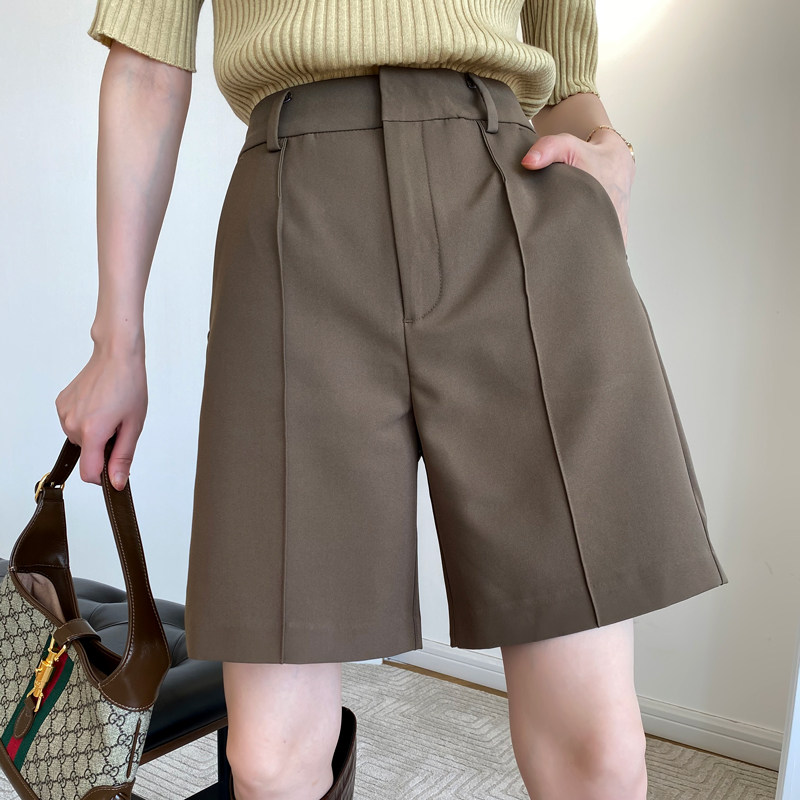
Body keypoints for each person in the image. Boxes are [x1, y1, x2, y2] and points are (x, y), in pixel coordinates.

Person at [55, 1, 729, 799]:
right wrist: (116, 342)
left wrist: (611, 146)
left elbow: (565, 78)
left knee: (597, 751)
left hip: (515, 199)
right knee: (270, 761)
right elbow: (146, 63)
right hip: (294, 215)